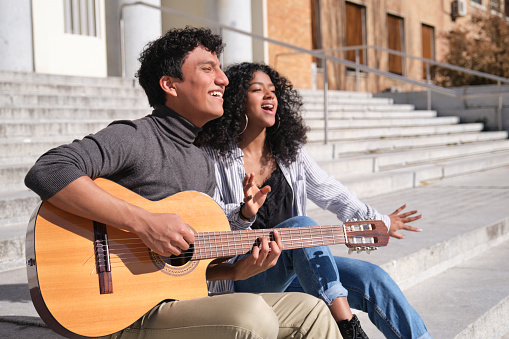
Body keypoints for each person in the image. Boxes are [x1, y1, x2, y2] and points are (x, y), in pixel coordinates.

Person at [24, 28, 342, 339]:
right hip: (122, 310)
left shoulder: (202, 158)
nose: (224, 79)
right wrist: (143, 222)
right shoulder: (135, 137)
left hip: (177, 302)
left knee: (312, 310)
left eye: (221, 69)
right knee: (251, 316)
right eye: (208, 69)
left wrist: (233, 272)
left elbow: (187, 264)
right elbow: (49, 169)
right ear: (170, 85)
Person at [195, 62, 433, 339]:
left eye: (272, 91)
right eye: (257, 90)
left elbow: (332, 192)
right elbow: (206, 217)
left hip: (294, 268)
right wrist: (243, 212)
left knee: (373, 278)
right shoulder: (213, 157)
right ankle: (348, 326)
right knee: (302, 225)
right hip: (246, 273)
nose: (270, 96)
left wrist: (379, 222)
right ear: (236, 100)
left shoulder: (289, 154)